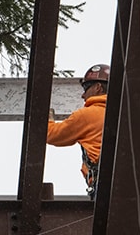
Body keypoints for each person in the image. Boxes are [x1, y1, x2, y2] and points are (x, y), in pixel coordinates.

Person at [46, 63, 110, 199]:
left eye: (86, 88)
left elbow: (51, 135)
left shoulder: (87, 115)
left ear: (98, 87)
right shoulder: (130, 114)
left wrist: (48, 118)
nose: (82, 95)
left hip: (108, 187)